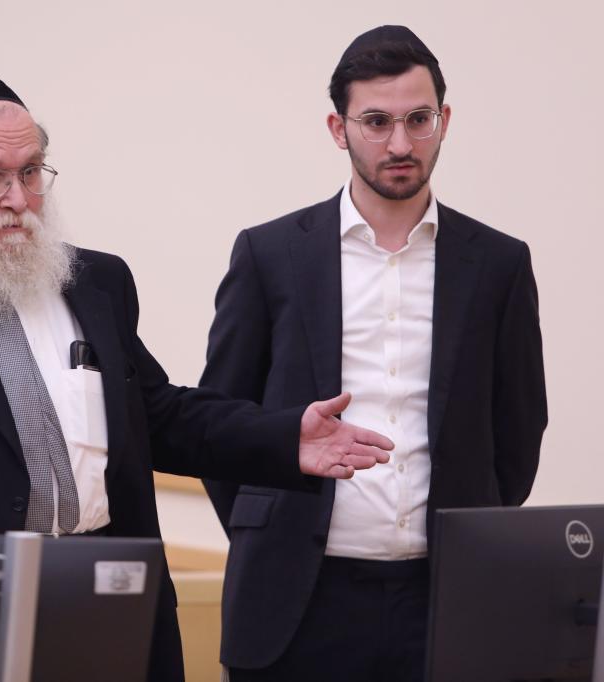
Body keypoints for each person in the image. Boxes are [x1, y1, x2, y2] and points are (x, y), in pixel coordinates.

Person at [0, 73, 393, 681]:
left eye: (30, 172)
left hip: (98, 596)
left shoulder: (96, 280)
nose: (17, 198)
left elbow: (156, 416)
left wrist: (284, 439)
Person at [201, 26, 548, 682]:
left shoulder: (498, 264)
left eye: (419, 120)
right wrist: (269, 527)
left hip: (443, 599)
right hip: (296, 602)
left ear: (444, 120)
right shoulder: (270, 255)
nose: (400, 144)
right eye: (377, 121)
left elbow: (517, 432)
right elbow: (224, 428)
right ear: (339, 128)